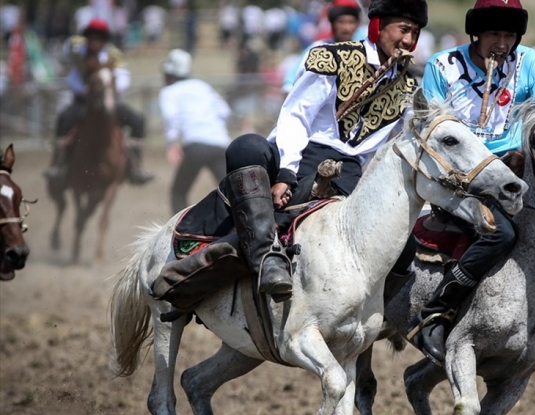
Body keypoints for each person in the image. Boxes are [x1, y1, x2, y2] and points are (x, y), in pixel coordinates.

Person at [157, 0, 428, 302]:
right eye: (404, 29)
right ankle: (263, 257)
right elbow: (296, 115)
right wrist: (286, 172)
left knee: (404, 247)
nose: (409, 40)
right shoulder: (331, 57)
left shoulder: (409, 87)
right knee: (247, 147)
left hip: (349, 175)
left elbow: (415, 138)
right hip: (300, 154)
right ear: (377, 26)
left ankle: (376, 313)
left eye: (415, 33)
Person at [408, 0, 535, 373]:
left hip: (518, 170)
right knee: (500, 233)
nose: (502, 44)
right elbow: (434, 129)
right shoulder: (442, 66)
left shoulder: (529, 62)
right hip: (462, 173)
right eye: (494, 34)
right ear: (476, 34)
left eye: (509, 35)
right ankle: (435, 314)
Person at [46, 18, 154, 186]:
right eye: (91, 37)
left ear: (104, 40)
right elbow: (73, 75)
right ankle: (58, 165)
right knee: (64, 119)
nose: (94, 41)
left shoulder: (114, 56)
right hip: (83, 102)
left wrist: (108, 88)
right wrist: (83, 89)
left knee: (137, 121)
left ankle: (136, 167)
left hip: (108, 99)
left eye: (99, 38)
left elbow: (124, 77)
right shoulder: (78, 52)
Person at [158, 49, 232, 215]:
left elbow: (171, 117)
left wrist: (171, 143)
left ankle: (183, 229)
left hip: (195, 146)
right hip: (221, 145)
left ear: (169, 74)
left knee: (178, 192)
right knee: (230, 193)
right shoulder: (202, 86)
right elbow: (224, 111)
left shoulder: (168, 92)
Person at [281, 0, 362, 94]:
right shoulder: (318, 49)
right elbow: (290, 83)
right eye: (340, 22)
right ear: (332, 23)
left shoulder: (364, 50)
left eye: (351, 22)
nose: (346, 28)